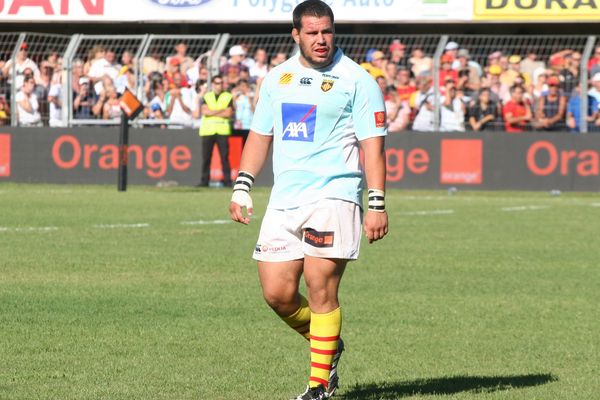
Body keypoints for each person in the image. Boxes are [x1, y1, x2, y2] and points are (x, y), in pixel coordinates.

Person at [228, 1, 388, 399]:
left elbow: (374, 147)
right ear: (295, 35)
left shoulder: (357, 80)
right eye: (313, 33)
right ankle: (327, 343)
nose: (321, 40)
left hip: (334, 196)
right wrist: (242, 185)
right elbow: (261, 135)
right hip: (284, 200)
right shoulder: (277, 78)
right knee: (277, 294)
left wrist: (377, 203)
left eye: (327, 32)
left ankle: (318, 386)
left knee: (320, 288)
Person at [198, 75, 234, 187]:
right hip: (208, 130)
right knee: (206, 158)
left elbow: (228, 113)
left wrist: (212, 111)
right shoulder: (207, 96)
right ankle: (204, 181)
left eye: (221, 83)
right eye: (217, 83)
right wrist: (221, 111)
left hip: (222, 130)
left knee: (224, 157)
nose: (219, 85)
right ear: (213, 84)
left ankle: (227, 181)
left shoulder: (228, 96)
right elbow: (204, 111)